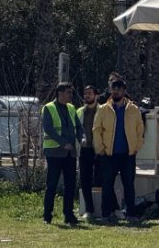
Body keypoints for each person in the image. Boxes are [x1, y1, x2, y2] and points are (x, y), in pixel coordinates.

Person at [94, 79, 145, 223]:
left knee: (129, 185)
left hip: (128, 154)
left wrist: (136, 147)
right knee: (107, 184)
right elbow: (96, 129)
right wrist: (100, 148)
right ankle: (106, 214)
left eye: (118, 88)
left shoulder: (134, 109)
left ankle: (131, 214)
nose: (115, 91)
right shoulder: (103, 109)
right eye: (113, 88)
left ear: (124, 91)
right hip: (108, 154)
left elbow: (140, 129)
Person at [41, 82, 84, 225]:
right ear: (59, 93)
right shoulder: (48, 108)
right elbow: (49, 129)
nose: (70, 95)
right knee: (51, 185)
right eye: (68, 92)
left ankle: (69, 214)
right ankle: (47, 215)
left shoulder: (71, 108)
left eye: (71, 92)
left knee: (70, 185)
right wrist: (62, 142)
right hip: (54, 153)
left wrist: (81, 138)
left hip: (70, 154)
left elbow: (78, 126)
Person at [77, 85, 101, 222]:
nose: (87, 96)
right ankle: (89, 209)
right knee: (85, 180)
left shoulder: (103, 110)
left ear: (96, 95)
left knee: (101, 179)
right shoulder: (80, 111)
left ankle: (107, 209)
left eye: (90, 93)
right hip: (84, 149)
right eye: (85, 93)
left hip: (99, 149)